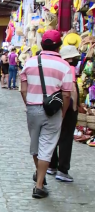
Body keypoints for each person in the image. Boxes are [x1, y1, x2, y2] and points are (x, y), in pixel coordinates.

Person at [20, 30, 72, 199]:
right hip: (53, 111)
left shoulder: (30, 62)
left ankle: (39, 174)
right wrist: (62, 113)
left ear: (42, 44)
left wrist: (28, 104)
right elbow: (66, 94)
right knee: (47, 146)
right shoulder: (64, 66)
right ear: (59, 46)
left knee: (35, 145)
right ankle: (39, 186)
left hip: (32, 109)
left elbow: (23, 89)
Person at [47, 45, 80, 182]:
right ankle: (63, 169)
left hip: (56, 103)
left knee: (55, 135)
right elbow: (72, 89)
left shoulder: (58, 66)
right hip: (67, 104)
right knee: (66, 138)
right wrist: (74, 107)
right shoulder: (70, 68)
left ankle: (52, 165)